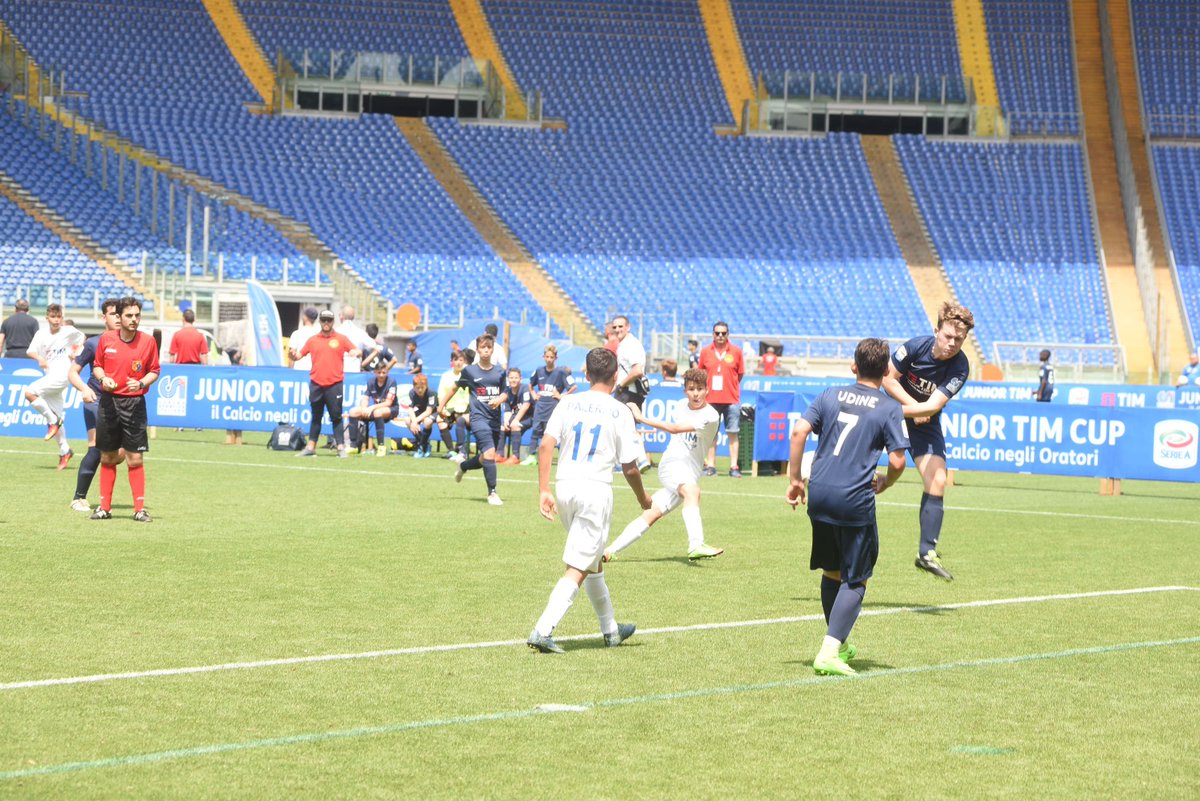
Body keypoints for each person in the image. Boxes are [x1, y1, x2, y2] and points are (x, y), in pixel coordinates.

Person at [786, 337, 908, 676]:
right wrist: (887, 481)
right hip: (854, 499)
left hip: (820, 491)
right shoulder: (888, 407)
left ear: (853, 366)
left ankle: (839, 642)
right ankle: (828, 651)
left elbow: (799, 433)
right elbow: (898, 461)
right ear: (886, 371)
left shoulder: (829, 395)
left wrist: (795, 480)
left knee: (832, 571)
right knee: (857, 578)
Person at [527, 347, 653, 654]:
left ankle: (610, 630)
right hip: (595, 490)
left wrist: (544, 489)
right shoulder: (620, 411)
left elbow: (546, 445)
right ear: (615, 377)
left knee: (592, 560)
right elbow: (631, 466)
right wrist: (644, 498)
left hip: (565, 486)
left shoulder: (569, 402)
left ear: (585, 375)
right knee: (579, 566)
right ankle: (543, 629)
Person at [882, 301, 975, 581]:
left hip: (925, 422)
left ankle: (926, 553)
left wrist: (921, 412)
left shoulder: (961, 367)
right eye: (948, 336)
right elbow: (888, 380)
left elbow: (934, 406)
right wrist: (909, 407)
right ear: (936, 331)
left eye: (959, 339)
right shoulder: (915, 347)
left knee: (937, 480)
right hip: (891, 412)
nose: (952, 343)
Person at [605, 368, 724, 562]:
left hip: (689, 472)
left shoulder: (711, 415)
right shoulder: (680, 406)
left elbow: (675, 429)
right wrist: (640, 418)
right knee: (693, 492)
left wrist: (641, 418)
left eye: (700, 389)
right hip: (671, 466)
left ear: (707, 390)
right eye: (691, 389)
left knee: (652, 512)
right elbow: (677, 431)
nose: (696, 393)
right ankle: (696, 544)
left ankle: (610, 550)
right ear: (685, 391)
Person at [89, 297, 160, 522]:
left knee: (135, 458)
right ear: (118, 317)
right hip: (109, 403)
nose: (134, 319)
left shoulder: (148, 342)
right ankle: (104, 508)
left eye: (137, 315)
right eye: (129, 315)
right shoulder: (106, 340)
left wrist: (141, 383)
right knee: (108, 457)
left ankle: (139, 509)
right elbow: (97, 366)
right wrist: (104, 378)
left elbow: (155, 371)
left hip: (134, 404)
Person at [67, 299, 121, 511]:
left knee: (121, 455)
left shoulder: (131, 343)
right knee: (96, 446)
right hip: (95, 399)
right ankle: (78, 498)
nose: (117, 318)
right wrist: (84, 389)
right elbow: (72, 372)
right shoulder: (93, 343)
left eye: (120, 314)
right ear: (104, 317)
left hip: (121, 403)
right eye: (112, 314)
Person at [290, 309, 360, 458]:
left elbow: (356, 350)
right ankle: (311, 447)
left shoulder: (341, 339)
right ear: (320, 321)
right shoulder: (312, 340)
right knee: (316, 416)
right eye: (324, 320)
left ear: (333, 321)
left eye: (329, 320)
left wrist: (356, 353)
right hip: (316, 384)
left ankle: (340, 447)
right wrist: (292, 355)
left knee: (336, 417)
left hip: (334, 385)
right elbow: (298, 355)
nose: (326, 323)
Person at [25, 303, 85, 469]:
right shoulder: (41, 334)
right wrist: (40, 358)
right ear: (47, 318)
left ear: (62, 318)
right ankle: (65, 450)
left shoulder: (68, 330)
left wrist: (76, 353)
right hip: (50, 375)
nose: (56, 320)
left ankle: (53, 421)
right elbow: (30, 350)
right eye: (53, 317)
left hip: (63, 374)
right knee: (56, 416)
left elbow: (82, 339)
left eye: (59, 317)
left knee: (29, 392)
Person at [452, 335, 508, 505]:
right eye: (482, 347)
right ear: (477, 350)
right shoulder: (470, 371)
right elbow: (456, 386)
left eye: (488, 348)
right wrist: (440, 407)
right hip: (478, 418)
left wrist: (499, 399)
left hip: (494, 420)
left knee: (486, 457)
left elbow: (506, 392)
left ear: (492, 350)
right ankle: (492, 493)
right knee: (490, 453)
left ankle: (463, 466)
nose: (485, 350)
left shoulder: (500, 371)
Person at [699, 321, 746, 478]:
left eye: (723, 333)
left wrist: (730, 386)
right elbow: (701, 373)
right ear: (713, 334)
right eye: (717, 333)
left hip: (731, 399)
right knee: (712, 434)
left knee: (733, 432)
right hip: (710, 399)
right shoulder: (705, 352)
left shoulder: (737, 352)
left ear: (728, 334)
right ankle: (711, 466)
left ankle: (733, 466)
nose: (720, 336)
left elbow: (740, 374)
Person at [522, 344, 576, 466]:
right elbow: (530, 384)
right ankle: (532, 456)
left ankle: (559, 457)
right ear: (543, 357)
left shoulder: (561, 372)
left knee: (553, 433)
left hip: (553, 407)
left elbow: (573, 386)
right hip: (540, 406)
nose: (549, 359)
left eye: (551, 357)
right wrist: (533, 394)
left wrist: (561, 396)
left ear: (555, 358)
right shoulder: (539, 370)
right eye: (547, 356)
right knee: (535, 431)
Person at [610, 314, 651, 472]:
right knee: (626, 427)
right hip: (627, 390)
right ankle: (640, 460)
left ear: (628, 327)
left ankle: (637, 460)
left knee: (623, 427)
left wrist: (620, 385)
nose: (618, 329)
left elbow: (637, 371)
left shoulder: (630, 345)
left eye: (621, 326)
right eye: (615, 327)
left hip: (629, 392)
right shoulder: (625, 344)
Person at [347, 361, 398, 456]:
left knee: (377, 412)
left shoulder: (392, 382)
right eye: (379, 372)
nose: (381, 375)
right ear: (375, 372)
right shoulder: (371, 382)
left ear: (387, 372)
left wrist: (372, 407)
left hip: (391, 409)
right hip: (375, 409)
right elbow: (365, 397)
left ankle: (381, 447)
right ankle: (353, 446)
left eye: (384, 372)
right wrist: (364, 408)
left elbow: (388, 402)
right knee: (353, 412)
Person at [436, 348, 471, 461]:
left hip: (466, 409)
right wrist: (443, 409)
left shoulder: (469, 374)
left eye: (461, 360)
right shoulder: (446, 376)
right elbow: (441, 394)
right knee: (439, 420)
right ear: (452, 361)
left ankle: (461, 449)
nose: (458, 362)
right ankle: (451, 450)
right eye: (456, 360)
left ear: (464, 361)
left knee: (460, 419)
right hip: (450, 408)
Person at [499, 367, 532, 464]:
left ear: (520, 379)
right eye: (511, 378)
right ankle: (500, 455)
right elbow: (508, 410)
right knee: (502, 427)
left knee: (514, 425)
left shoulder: (525, 388)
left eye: (516, 378)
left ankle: (515, 456)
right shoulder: (507, 391)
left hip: (529, 417)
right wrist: (506, 422)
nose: (513, 380)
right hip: (515, 417)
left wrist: (515, 420)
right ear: (508, 379)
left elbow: (526, 405)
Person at [406, 372, 439, 458]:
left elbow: (429, 411)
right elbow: (410, 409)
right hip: (421, 412)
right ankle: (426, 444)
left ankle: (421, 447)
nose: (420, 390)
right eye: (417, 388)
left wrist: (415, 421)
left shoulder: (432, 393)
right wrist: (413, 422)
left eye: (422, 388)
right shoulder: (411, 393)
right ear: (414, 387)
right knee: (407, 420)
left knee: (427, 422)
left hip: (433, 412)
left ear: (426, 386)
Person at [335, 305, 374, 374]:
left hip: (338, 371)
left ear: (341, 316)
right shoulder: (360, 332)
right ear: (353, 317)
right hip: (354, 370)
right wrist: (363, 363)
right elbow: (375, 348)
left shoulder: (336, 331)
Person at [287, 307, 319, 371]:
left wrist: (289, 372)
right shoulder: (319, 334)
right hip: (315, 371)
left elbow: (292, 355)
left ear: (305, 317)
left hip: (299, 370)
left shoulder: (297, 333)